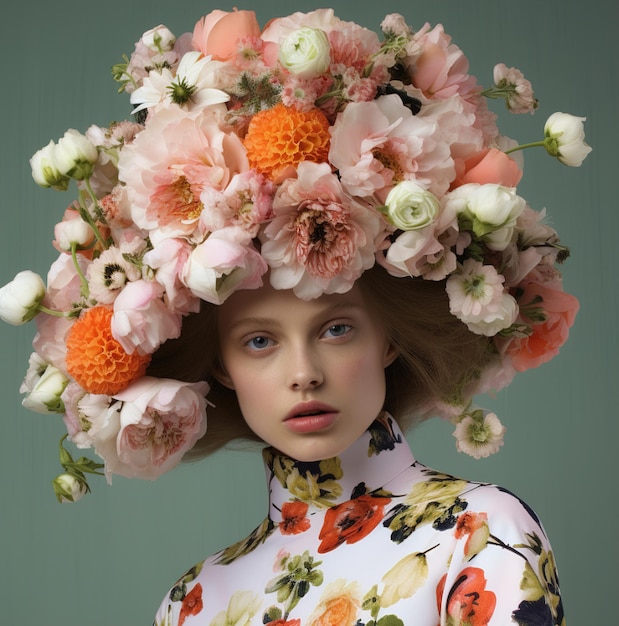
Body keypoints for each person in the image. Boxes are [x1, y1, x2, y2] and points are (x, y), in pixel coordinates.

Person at [0, 7, 589, 626]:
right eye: (259, 342)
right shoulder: (192, 604)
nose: (303, 373)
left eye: (337, 329)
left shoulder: (478, 532)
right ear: (220, 366)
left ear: (388, 337)